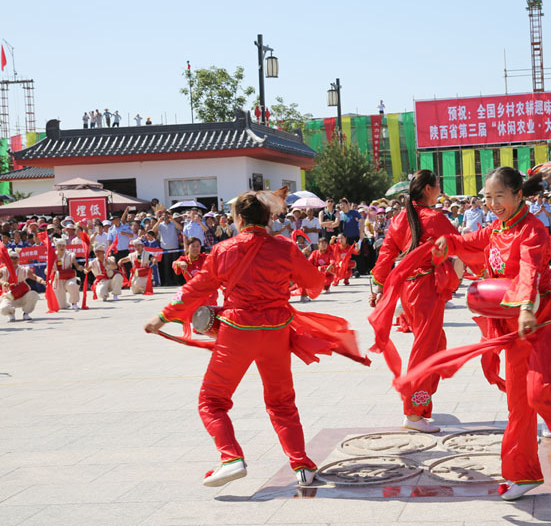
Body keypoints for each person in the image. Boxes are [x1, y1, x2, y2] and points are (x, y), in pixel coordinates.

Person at [143, 189, 358, 488]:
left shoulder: (223, 250)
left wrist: (161, 318)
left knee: (212, 401)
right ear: (267, 217)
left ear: (240, 219)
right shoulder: (285, 247)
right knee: (282, 403)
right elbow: (315, 285)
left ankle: (231, 457)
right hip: (276, 331)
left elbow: (193, 289)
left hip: (237, 331)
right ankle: (302, 464)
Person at [431, 167, 551, 501]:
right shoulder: (497, 228)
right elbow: (467, 241)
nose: (493, 203)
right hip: (514, 323)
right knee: (517, 404)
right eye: (488, 197)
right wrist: (448, 242)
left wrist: (525, 306)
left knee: (539, 393)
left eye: (500, 196)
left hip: (542, 318)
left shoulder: (532, 229)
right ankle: (522, 475)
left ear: (518, 195)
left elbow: (528, 269)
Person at [369, 169, 461, 432]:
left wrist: (377, 285)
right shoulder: (435, 218)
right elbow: (463, 245)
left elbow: (386, 253)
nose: (440, 190)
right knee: (425, 348)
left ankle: (422, 402)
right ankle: (413, 412)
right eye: (438, 185)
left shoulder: (401, 218)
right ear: (429, 189)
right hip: (427, 289)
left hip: (411, 289)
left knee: (435, 342)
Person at [0, 251, 44, 321]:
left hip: (22, 296)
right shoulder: (3, 270)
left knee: (34, 294)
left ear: (18, 259)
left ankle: (26, 313)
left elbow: (35, 277)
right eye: (12, 258)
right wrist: (3, 282)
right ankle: (11, 313)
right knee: (3, 308)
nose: (14, 260)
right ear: (8, 259)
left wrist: (42, 281)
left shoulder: (24, 270)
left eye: (16, 258)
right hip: (9, 297)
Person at [52, 238, 83, 310]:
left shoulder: (70, 255)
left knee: (72, 285)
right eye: (59, 245)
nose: (61, 247)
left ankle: (74, 303)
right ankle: (64, 304)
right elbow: (48, 268)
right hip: (58, 278)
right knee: (61, 306)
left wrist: (80, 268)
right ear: (56, 247)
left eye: (63, 246)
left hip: (69, 277)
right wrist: (46, 270)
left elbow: (77, 265)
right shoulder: (52, 256)